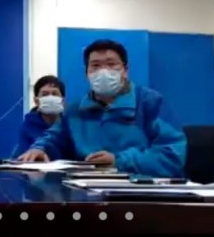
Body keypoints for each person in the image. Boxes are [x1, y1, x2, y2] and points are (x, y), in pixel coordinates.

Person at [17, 40, 186, 176]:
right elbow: (53, 138)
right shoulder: (75, 111)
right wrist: (40, 149)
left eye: (111, 64)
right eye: (96, 65)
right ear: (87, 73)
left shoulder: (150, 103)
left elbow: (172, 155)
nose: (103, 71)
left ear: (125, 70)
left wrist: (118, 161)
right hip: (86, 193)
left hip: (141, 193)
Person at [11, 75, 66, 158]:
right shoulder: (28, 127)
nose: (50, 98)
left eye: (55, 94)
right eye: (45, 95)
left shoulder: (71, 125)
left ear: (62, 100)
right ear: (36, 101)